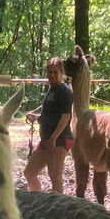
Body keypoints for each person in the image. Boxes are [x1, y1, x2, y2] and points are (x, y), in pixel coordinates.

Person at [22, 57, 73, 193]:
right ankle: (39, 201)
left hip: (60, 138)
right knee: (29, 173)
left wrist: (53, 139)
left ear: (61, 72)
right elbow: (52, 115)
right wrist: (38, 118)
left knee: (54, 175)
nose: (52, 75)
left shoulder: (64, 91)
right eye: (50, 72)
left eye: (55, 72)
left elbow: (65, 117)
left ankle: (58, 209)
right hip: (47, 139)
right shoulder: (52, 89)